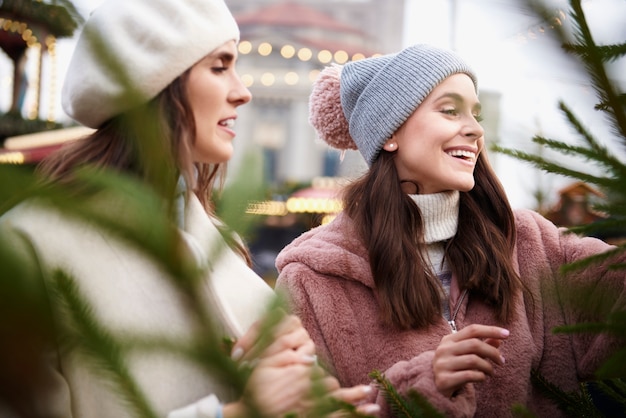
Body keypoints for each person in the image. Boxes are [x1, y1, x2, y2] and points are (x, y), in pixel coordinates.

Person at [0, 0, 380, 417]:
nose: (243, 91)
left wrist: (294, 377)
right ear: (156, 82)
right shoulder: (26, 245)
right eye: (219, 66)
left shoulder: (220, 242)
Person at [275, 43, 626, 417]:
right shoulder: (312, 280)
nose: (475, 129)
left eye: (475, 114)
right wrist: (419, 387)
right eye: (450, 110)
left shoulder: (529, 242)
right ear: (390, 133)